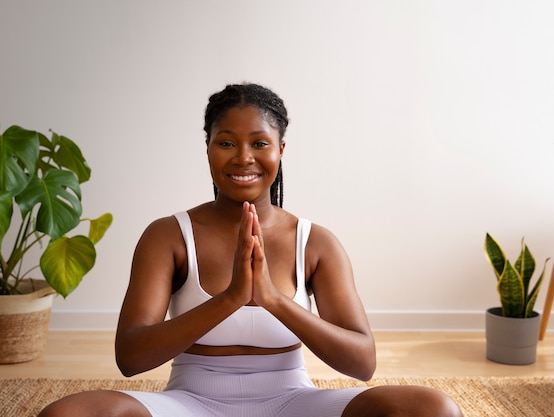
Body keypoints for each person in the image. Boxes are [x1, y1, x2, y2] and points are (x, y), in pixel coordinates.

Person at [39, 83, 463, 417]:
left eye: (260, 143)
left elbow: (362, 363)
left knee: (433, 409)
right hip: (190, 405)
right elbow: (130, 358)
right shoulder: (168, 235)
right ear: (208, 149)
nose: (243, 158)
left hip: (293, 404)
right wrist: (230, 299)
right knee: (67, 414)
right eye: (226, 142)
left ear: (280, 150)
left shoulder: (315, 242)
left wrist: (273, 300)